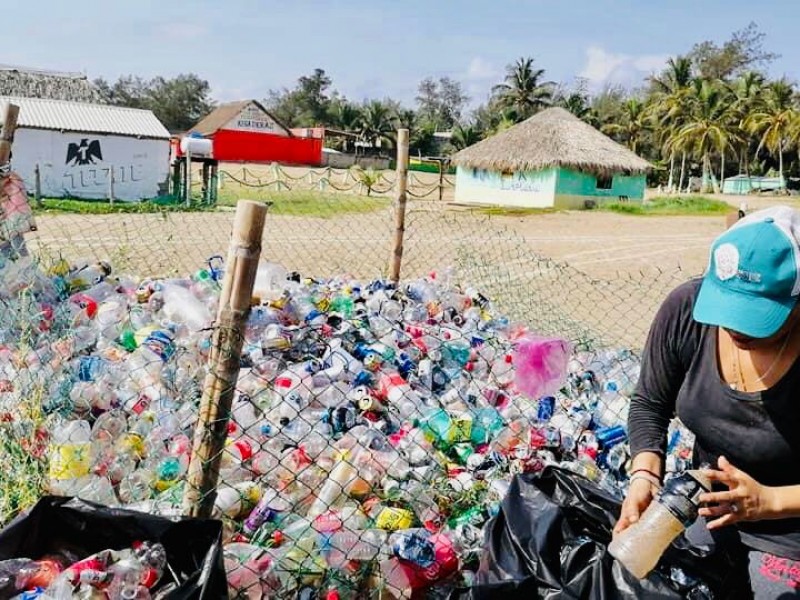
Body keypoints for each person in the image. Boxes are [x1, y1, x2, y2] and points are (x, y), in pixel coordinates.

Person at [616, 205, 800, 598]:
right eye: (727, 308)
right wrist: (644, 475)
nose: (734, 327)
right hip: (705, 502)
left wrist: (769, 501)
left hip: (790, 526)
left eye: (756, 315)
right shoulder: (686, 310)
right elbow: (650, 402)